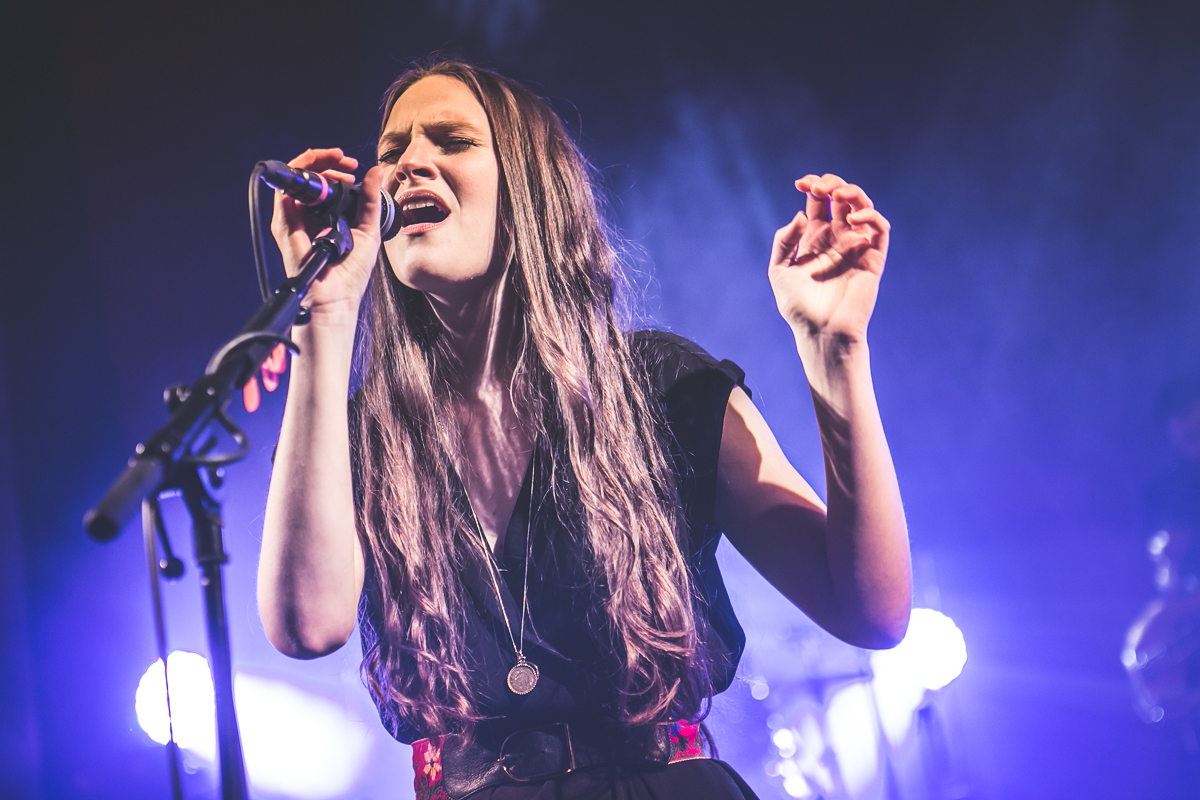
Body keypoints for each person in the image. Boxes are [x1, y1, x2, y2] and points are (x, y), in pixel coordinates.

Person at [258, 58, 910, 799]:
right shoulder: (362, 442)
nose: (408, 164)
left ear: (532, 191)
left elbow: (871, 610)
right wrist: (326, 307)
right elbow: (306, 627)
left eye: (451, 140)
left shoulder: (657, 387)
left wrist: (838, 356)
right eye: (390, 151)